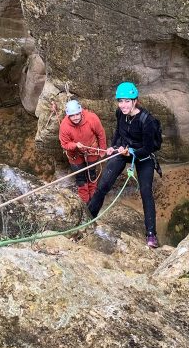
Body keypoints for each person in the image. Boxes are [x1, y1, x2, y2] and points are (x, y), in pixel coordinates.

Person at [87, 82, 161, 247]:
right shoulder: (120, 114)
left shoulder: (146, 120)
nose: (123, 105)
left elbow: (149, 148)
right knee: (103, 185)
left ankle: (151, 235)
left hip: (143, 156)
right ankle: (89, 218)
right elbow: (119, 133)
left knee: (146, 192)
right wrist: (113, 148)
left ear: (135, 101)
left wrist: (132, 152)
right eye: (120, 101)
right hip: (123, 150)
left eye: (127, 101)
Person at [58, 98, 106, 204]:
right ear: (68, 115)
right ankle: (85, 201)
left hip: (91, 150)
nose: (75, 118)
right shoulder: (64, 126)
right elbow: (64, 144)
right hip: (74, 154)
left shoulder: (92, 118)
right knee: (80, 177)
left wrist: (102, 149)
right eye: (72, 116)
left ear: (80, 112)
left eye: (76, 114)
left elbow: (101, 134)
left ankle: (93, 198)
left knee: (92, 173)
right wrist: (75, 145)